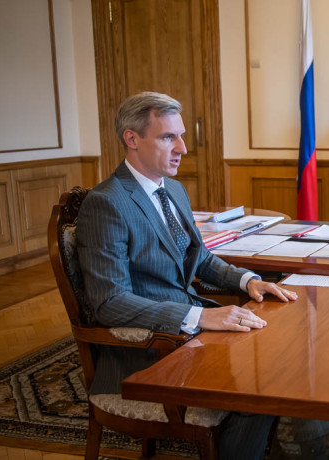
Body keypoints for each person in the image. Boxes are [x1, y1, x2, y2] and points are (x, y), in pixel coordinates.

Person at [77, 92, 305, 459]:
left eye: (181, 135)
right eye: (169, 137)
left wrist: (248, 281)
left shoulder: (175, 190)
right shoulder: (107, 203)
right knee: (259, 389)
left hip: (186, 332)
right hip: (147, 351)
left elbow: (199, 258)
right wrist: (200, 315)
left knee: (280, 358)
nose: (182, 147)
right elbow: (109, 302)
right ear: (132, 139)